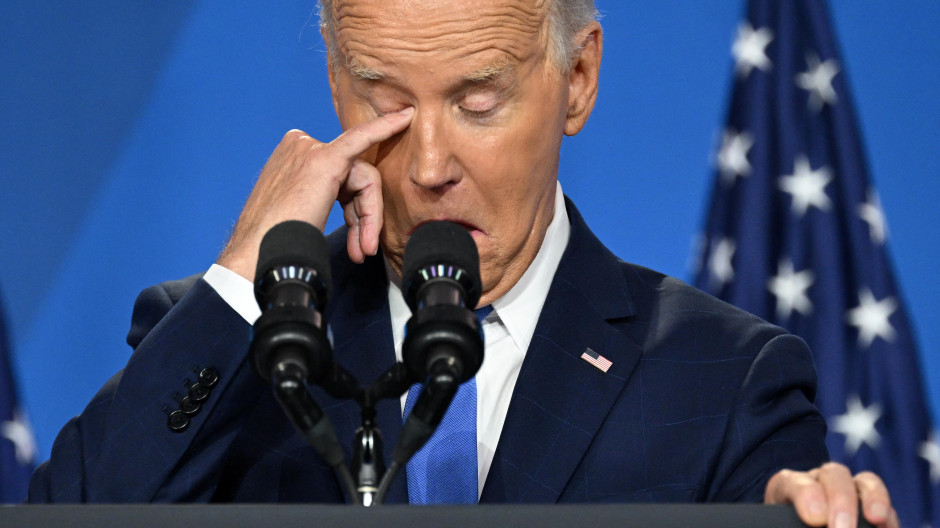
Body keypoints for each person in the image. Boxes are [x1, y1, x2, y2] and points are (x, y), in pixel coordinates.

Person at [30, 0, 898, 526]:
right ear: (336, 84)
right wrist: (243, 275)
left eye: (478, 102)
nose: (431, 163)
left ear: (580, 77)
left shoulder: (725, 383)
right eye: (387, 103)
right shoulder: (238, 344)